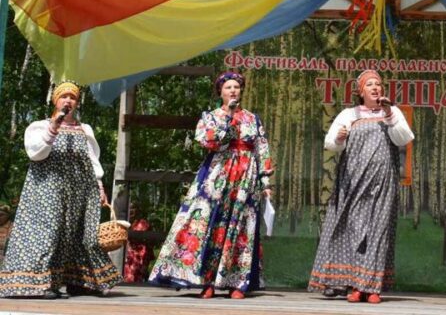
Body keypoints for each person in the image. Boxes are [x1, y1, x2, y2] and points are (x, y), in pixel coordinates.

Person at [149, 71, 273, 299]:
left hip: (245, 178)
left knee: (241, 227)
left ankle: (237, 283)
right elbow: (209, 141)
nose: (233, 90)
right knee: (210, 225)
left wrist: (265, 181)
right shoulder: (211, 117)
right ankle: (207, 281)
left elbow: (261, 148)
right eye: (228, 87)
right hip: (218, 175)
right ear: (220, 92)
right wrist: (229, 117)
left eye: (236, 87)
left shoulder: (253, 118)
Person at [0, 81, 121, 299]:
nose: (68, 101)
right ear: (55, 101)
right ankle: (38, 284)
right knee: (48, 233)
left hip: (79, 191)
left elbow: (92, 161)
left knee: (81, 233)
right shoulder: (39, 127)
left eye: (72, 97)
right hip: (47, 190)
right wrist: (53, 128)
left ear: (77, 103)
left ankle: (78, 281)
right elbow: (36, 154)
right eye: (64, 96)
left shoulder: (85, 129)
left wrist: (99, 185)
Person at [308, 69, 415, 304]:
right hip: (353, 181)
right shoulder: (349, 114)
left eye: (378, 84)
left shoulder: (392, 111)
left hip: (382, 181)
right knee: (353, 229)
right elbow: (330, 143)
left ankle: (372, 287)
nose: (375, 87)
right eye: (370, 84)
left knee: (378, 230)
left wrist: (389, 113)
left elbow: (404, 138)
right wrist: (340, 137)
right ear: (361, 91)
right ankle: (355, 284)